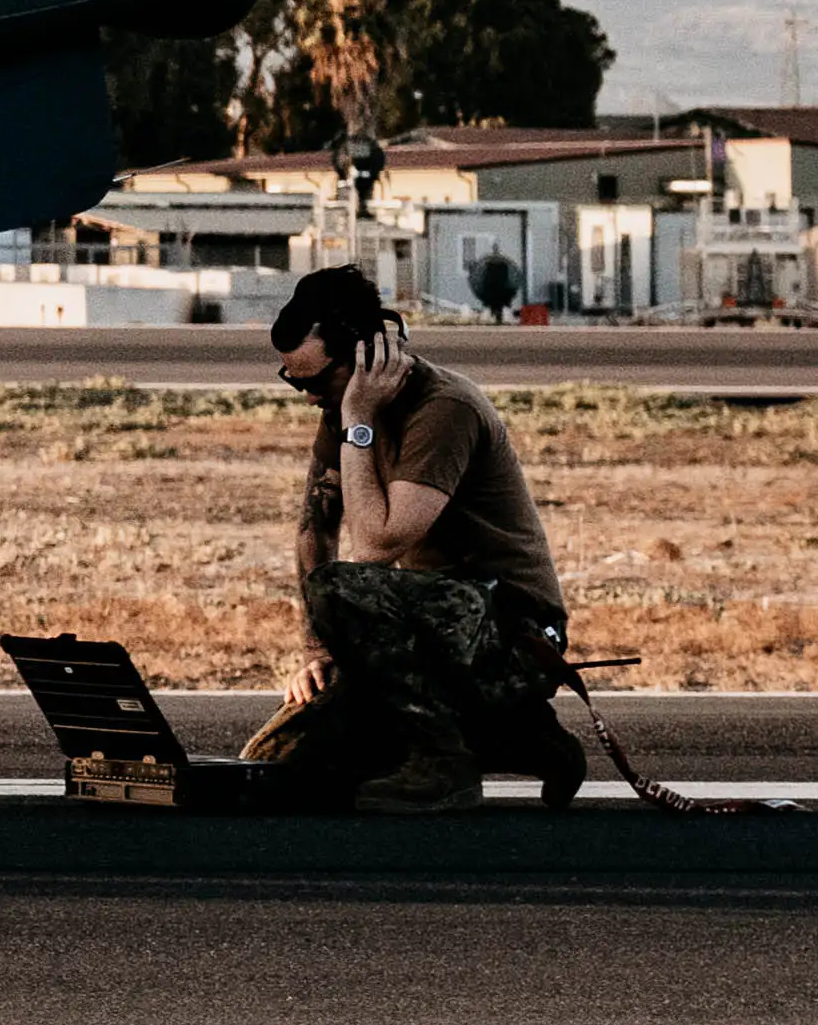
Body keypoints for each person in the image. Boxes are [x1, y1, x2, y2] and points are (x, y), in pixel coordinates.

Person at [229, 263, 575, 811]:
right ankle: (523, 739)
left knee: (341, 587)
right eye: (291, 379)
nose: (305, 395)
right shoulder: (340, 406)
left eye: (315, 381)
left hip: (512, 631)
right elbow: (314, 529)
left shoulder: (444, 409)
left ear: (367, 357)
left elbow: (376, 544)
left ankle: (447, 765)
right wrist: (318, 651)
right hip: (425, 635)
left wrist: (359, 419)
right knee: (278, 763)